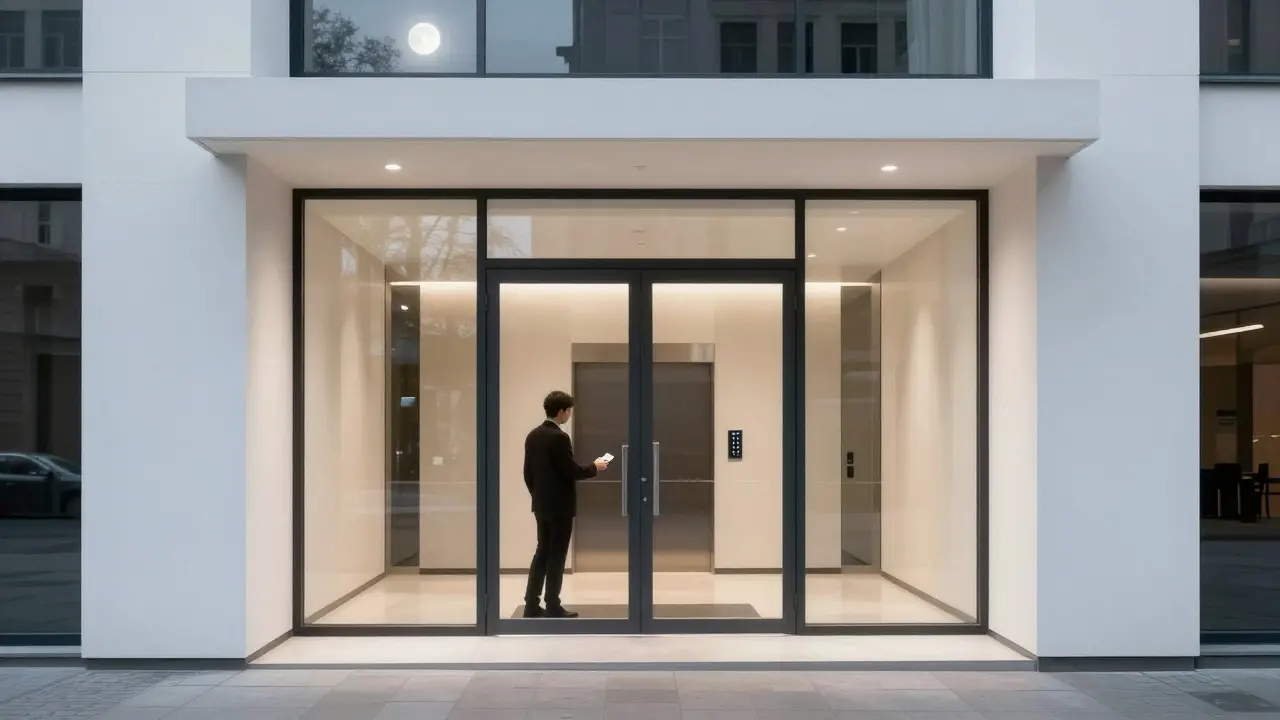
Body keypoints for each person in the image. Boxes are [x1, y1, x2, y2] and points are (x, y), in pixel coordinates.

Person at [522, 390, 608, 618]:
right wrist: (594, 467)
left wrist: (538, 495)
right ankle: (552, 604)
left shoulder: (533, 435)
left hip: (541, 505)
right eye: (569, 411)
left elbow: (527, 473)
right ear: (561, 411)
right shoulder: (559, 438)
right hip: (560, 507)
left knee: (542, 552)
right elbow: (571, 471)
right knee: (557, 555)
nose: (569, 415)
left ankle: (531, 604)